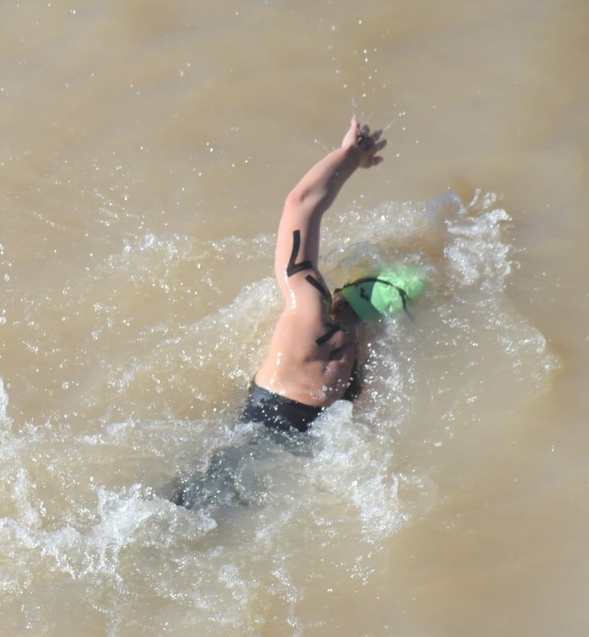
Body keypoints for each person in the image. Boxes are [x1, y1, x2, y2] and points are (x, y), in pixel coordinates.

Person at [173, 117, 420, 510]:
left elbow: (300, 203)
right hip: (280, 473)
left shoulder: (310, 315)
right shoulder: (362, 372)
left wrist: (350, 154)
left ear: (341, 297)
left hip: (240, 449)